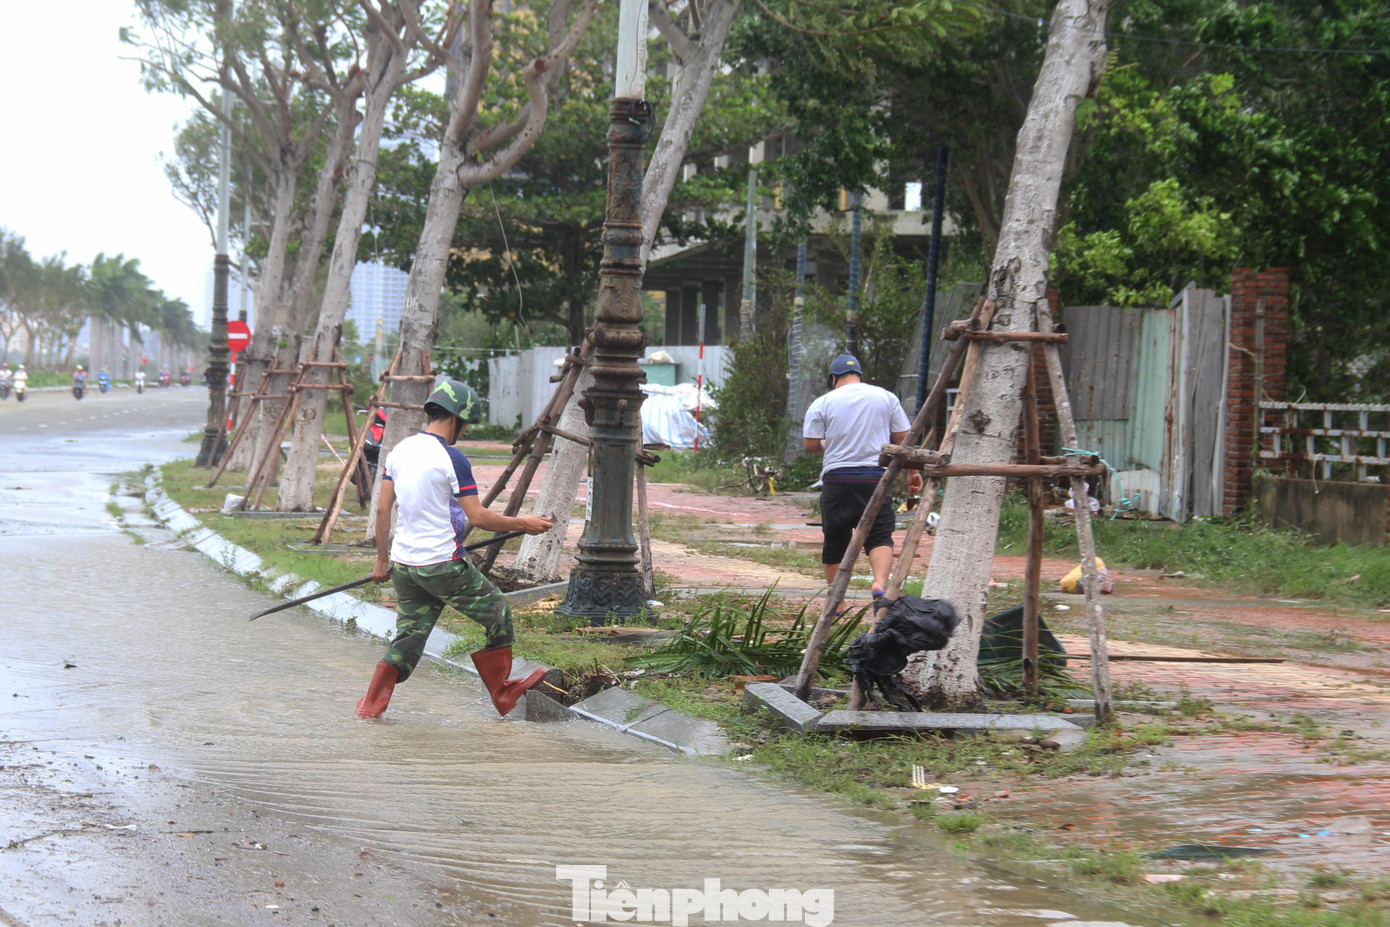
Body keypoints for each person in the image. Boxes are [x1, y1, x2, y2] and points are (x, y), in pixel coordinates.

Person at [355, 379, 554, 720]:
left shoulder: (398, 451)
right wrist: (525, 524)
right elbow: (478, 516)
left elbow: (384, 509)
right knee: (498, 612)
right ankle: (502, 691)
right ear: (456, 419)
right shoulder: (452, 458)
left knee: (408, 638)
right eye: (465, 423)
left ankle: (368, 709)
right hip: (441, 565)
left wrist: (381, 560)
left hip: (404, 566)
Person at [802, 354, 921, 615]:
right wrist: (912, 472)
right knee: (879, 535)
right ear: (859, 376)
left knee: (835, 539)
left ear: (833, 379)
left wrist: (829, 444)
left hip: (837, 479)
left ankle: (838, 601)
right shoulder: (885, 397)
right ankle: (879, 583)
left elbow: (811, 444)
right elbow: (903, 439)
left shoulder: (823, 402)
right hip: (875, 478)